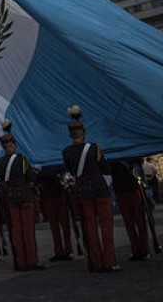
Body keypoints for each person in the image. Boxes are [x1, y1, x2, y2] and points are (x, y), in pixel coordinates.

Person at [62, 105, 119, 273]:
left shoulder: (67, 152)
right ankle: (110, 261)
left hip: (83, 191)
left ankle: (96, 262)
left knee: (90, 228)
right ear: (84, 133)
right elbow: (106, 169)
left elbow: (71, 172)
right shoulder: (95, 148)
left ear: (70, 135)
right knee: (106, 227)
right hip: (100, 190)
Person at [0, 119, 43, 271]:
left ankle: (20, 262)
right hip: (24, 197)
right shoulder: (22, 159)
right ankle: (31, 261)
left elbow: (2, 177)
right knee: (28, 230)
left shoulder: (0, 163)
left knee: (16, 230)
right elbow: (30, 177)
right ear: (13, 144)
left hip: (10, 198)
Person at [110, 159, 149, 261]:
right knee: (137, 222)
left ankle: (139, 249)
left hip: (124, 189)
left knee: (132, 223)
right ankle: (141, 249)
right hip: (130, 189)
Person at [38, 166, 73, 261]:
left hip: (54, 193)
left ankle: (64, 249)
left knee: (61, 224)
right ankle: (62, 250)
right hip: (52, 193)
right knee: (57, 225)